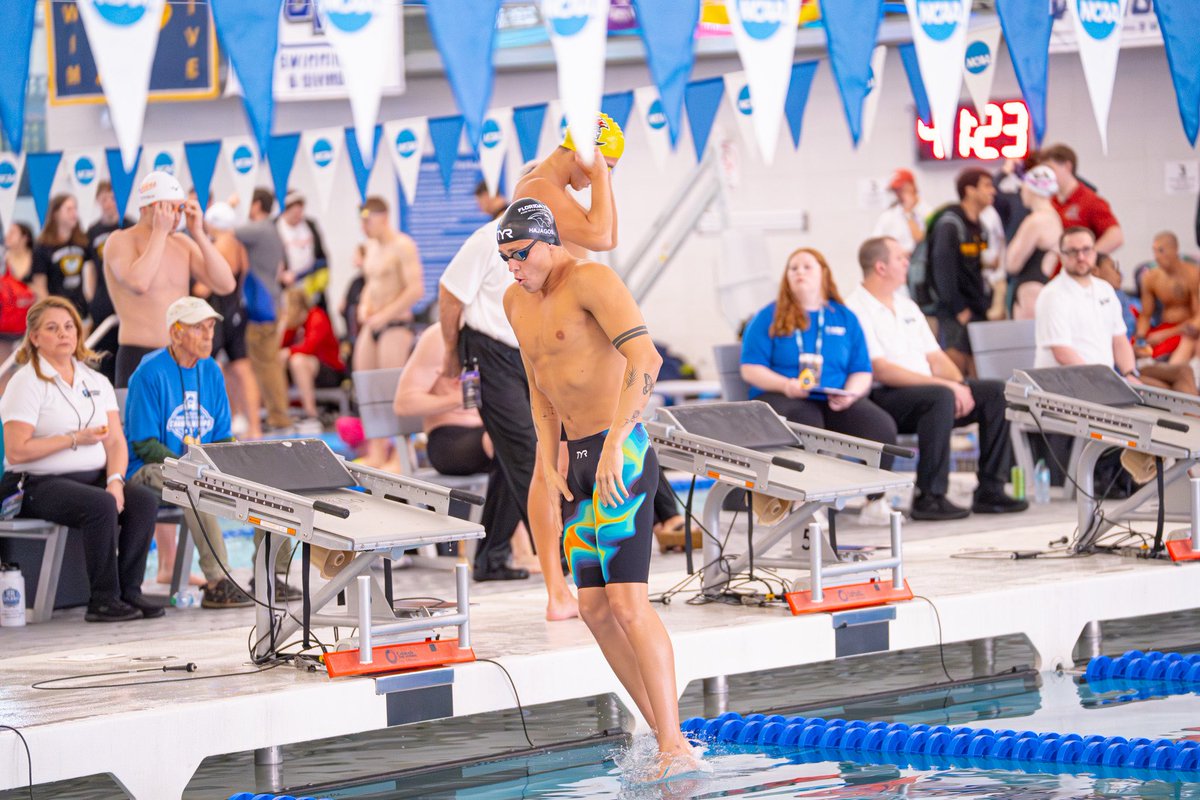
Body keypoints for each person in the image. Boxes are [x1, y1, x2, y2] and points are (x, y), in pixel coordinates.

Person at [499, 198, 698, 779]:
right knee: (592, 607)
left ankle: (673, 742)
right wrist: (546, 453)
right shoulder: (516, 301)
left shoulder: (592, 280)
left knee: (629, 604)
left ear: (549, 240)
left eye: (521, 254)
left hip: (621, 457)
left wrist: (615, 443)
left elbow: (647, 357)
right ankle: (663, 731)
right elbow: (537, 382)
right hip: (574, 465)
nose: (514, 267)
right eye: (505, 257)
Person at [493, 114, 622, 619]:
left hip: (563, 325)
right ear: (585, 154)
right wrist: (603, 174)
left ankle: (565, 587)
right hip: (554, 330)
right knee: (552, 467)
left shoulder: (544, 186)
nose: (603, 178)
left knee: (560, 463)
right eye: (604, 166)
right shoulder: (541, 186)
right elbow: (603, 234)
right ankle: (556, 591)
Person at [0, 297, 159, 621]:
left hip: (92, 477)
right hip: (35, 483)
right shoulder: (25, 382)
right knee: (99, 504)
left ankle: (130, 591)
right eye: (52, 328)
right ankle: (103, 600)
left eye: (69, 326)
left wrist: (116, 481)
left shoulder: (94, 380)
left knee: (142, 499)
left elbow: (115, 441)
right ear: (34, 337)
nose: (63, 334)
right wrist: (73, 439)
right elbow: (17, 450)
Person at [848, 237, 1028, 521]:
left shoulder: (906, 306)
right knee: (940, 396)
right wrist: (946, 387)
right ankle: (929, 496)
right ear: (881, 267)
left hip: (929, 394)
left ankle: (990, 489)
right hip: (884, 398)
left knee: (995, 391)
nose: (908, 262)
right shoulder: (855, 310)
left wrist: (959, 385)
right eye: (900, 258)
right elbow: (880, 369)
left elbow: (936, 358)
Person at [740, 247, 898, 524]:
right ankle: (808, 503)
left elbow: (862, 370)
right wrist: (786, 385)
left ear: (823, 273)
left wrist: (851, 394)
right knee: (806, 422)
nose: (799, 272)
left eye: (806, 267)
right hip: (783, 394)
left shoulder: (844, 317)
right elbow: (750, 369)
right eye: (793, 268)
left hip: (834, 397)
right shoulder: (769, 316)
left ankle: (876, 501)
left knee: (880, 426)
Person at [124, 297, 253, 608]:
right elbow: (143, 443)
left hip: (198, 468)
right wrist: (192, 465)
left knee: (261, 483)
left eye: (210, 327)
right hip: (147, 469)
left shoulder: (211, 371)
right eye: (199, 328)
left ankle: (270, 575)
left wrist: (239, 467)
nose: (209, 334)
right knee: (192, 483)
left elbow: (222, 437)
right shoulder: (148, 373)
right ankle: (217, 582)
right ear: (176, 333)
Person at [394, 323, 535, 577]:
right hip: (449, 440)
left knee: (521, 445)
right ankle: (503, 554)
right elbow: (404, 403)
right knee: (511, 445)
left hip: (493, 435)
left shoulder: (505, 333)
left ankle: (497, 556)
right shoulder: (438, 338)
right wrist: (459, 399)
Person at [104, 171, 236, 388]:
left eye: (179, 209)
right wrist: (159, 232)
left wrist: (199, 234)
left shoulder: (183, 244)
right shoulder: (120, 240)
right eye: (168, 208)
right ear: (147, 208)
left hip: (180, 355)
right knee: (141, 422)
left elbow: (226, 284)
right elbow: (139, 282)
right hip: (138, 355)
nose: (175, 217)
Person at [1035, 227, 1196, 394]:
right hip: (1068, 387)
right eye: (1073, 251)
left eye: (1086, 250)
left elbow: (1119, 339)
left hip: (1103, 381)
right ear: (1061, 255)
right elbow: (1062, 353)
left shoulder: (1105, 290)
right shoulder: (1053, 295)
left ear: (1094, 251)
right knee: (1169, 393)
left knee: (1172, 395)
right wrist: (1103, 381)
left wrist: (1130, 373)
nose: (1081, 257)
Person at [354, 195, 424, 468]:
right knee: (367, 388)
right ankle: (377, 452)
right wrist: (364, 307)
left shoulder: (403, 246)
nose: (364, 227)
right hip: (373, 324)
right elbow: (371, 284)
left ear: (383, 218)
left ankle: (400, 454)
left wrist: (385, 315)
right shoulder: (371, 247)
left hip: (395, 325)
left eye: (367, 221)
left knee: (393, 390)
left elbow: (415, 289)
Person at [197, 202, 261, 440]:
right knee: (241, 370)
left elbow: (204, 288)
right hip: (237, 311)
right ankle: (253, 425)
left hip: (221, 313)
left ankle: (219, 423)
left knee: (209, 367)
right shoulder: (239, 246)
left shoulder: (220, 246)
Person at [927, 169, 996, 376]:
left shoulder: (979, 226)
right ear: (969, 190)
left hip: (977, 307)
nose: (993, 191)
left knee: (979, 367)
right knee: (956, 366)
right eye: (987, 185)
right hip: (955, 311)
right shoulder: (950, 224)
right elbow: (942, 269)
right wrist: (959, 309)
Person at [237, 188, 291, 431]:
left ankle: (278, 416)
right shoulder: (272, 230)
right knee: (269, 364)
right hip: (269, 300)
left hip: (263, 305)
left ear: (256, 205)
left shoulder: (259, 229)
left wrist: (229, 207)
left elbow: (226, 231)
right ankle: (277, 415)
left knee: (265, 365)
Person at [85, 181, 133, 385]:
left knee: (125, 354)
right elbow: (90, 269)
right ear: (98, 201)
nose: (109, 203)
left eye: (112, 198)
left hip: (126, 299)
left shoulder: (129, 225)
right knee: (103, 358)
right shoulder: (93, 231)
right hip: (103, 300)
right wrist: (92, 299)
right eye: (104, 198)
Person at [1037, 143, 1124, 255]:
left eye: (1050, 169)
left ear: (1067, 167)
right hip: (1055, 270)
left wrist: (1086, 257)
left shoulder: (1090, 200)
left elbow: (1116, 236)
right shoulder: (1049, 201)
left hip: (1076, 270)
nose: (1047, 176)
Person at [280, 288, 345, 432]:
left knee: (297, 360)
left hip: (330, 370)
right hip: (311, 369)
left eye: (285, 307)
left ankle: (311, 414)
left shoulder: (317, 316)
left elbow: (309, 346)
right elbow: (279, 346)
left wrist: (289, 351)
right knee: (276, 361)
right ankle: (280, 414)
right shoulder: (294, 325)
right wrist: (282, 325)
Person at [1133, 232, 1200, 366]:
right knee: (1135, 347)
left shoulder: (1193, 274)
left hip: (1187, 331)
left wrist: (1164, 335)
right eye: (1155, 251)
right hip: (1165, 328)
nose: (1157, 256)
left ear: (1175, 250)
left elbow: (1196, 321)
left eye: (1161, 251)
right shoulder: (1150, 278)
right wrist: (1141, 338)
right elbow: (1145, 315)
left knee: (1191, 339)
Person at [1005, 165, 1063, 319]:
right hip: (1043, 285)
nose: (1021, 192)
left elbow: (1012, 264)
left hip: (1029, 292)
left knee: (1026, 342)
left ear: (1031, 189)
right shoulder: (1055, 217)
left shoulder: (1035, 221)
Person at [32, 194, 93, 320]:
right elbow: (39, 284)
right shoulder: (43, 246)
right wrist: (48, 312)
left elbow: (90, 272)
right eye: (69, 209)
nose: (74, 213)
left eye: (75, 209)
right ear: (55, 214)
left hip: (80, 307)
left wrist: (91, 298)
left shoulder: (82, 242)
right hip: (57, 307)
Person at [276, 191, 329, 300]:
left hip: (310, 285)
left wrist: (302, 274)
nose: (298, 217)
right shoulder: (275, 228)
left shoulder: (310, 225)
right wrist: (282, 276)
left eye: (300, 213)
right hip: (286, 288)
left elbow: (322, 258)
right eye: (294, 214)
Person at [873, 169, 931, 255]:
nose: (898, 194)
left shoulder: (928, 212)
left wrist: (908, 214)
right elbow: (875, 242)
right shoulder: (889, 215)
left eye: (900, 189)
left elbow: (922, 241)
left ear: (912, 186)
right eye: (895, 190)